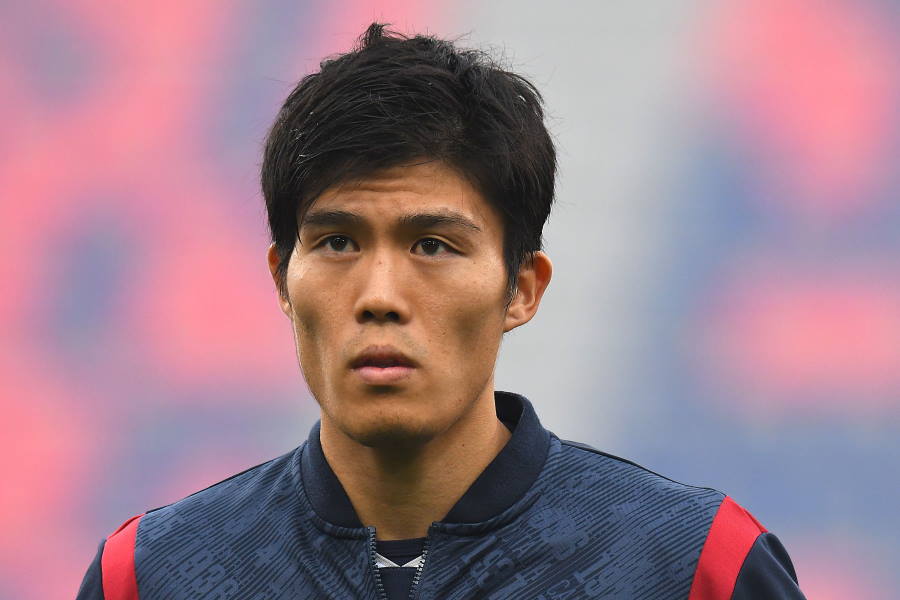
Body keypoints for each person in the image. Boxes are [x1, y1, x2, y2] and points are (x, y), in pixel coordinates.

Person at [77, 23, 806, 600]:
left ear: (522, 288)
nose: (380, 297)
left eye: (432, 245)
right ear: (282, 280)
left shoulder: (691, 565)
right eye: (337, 242)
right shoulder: (152, 575)